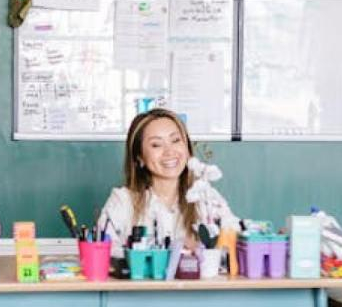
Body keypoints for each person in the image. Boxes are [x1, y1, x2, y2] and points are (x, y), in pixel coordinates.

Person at [99, 108, 239, 257]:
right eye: (156, 145)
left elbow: (237, 243)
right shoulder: (122, 201)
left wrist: (203, 250)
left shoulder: (207, 198)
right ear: (139, 157)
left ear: (187, 148)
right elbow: (102, 254)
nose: (170, 151)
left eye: (175, 140)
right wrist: (163, 253)